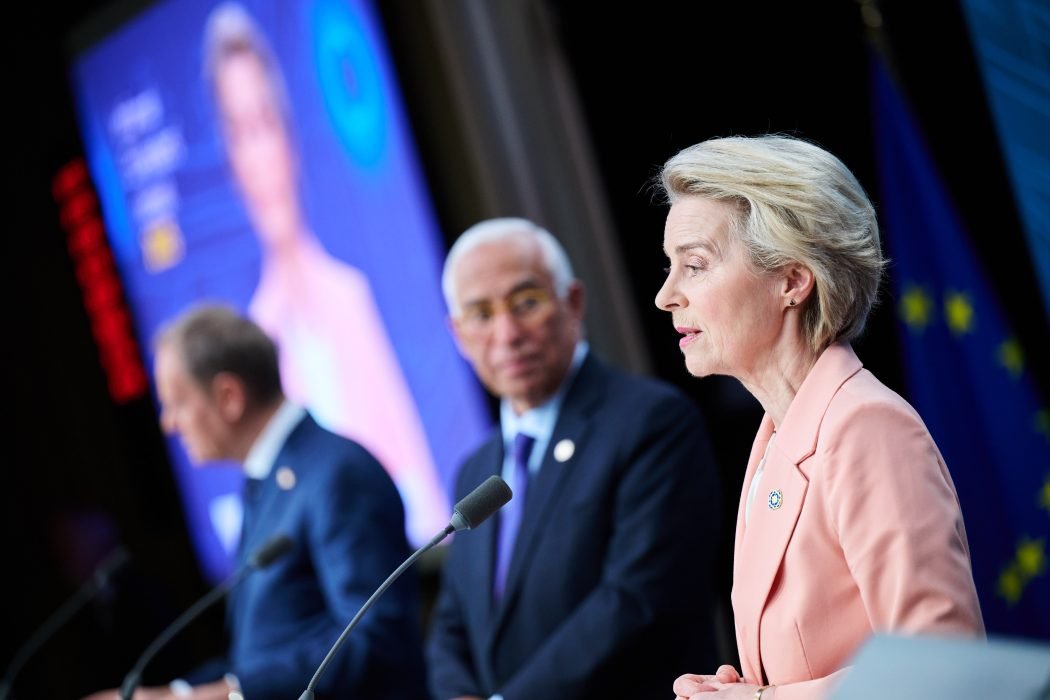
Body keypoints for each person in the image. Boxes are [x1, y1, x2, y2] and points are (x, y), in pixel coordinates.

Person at [654, 135, 985, 700]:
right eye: (671, 267)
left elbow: (944, 671)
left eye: (695, 265)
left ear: (791, 280)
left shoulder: (868, 428)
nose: (666, 296)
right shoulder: (775, 438)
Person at [427, 218, 721, 699]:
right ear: (458, 333)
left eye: (526, 303)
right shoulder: (475, 469)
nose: (506, 333)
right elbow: (454, 620)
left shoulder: (651, 422)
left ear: (573, 302)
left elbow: (636, 600)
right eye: (480, 313)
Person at [85, 305, 429, 699]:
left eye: (177, 403)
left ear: (229, 397)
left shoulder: (337, 473)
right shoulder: (269, 480)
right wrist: (168, 695)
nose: (169, 423)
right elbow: (261, 657)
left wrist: (219, 695)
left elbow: (375, 638)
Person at [202, 1, 447, 546]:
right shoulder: (254, 335)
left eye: (265, 122)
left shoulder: (350, 298)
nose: (259, 155)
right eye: (240, 132)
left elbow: (425, 501)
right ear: (229, 158)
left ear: (289, 136)